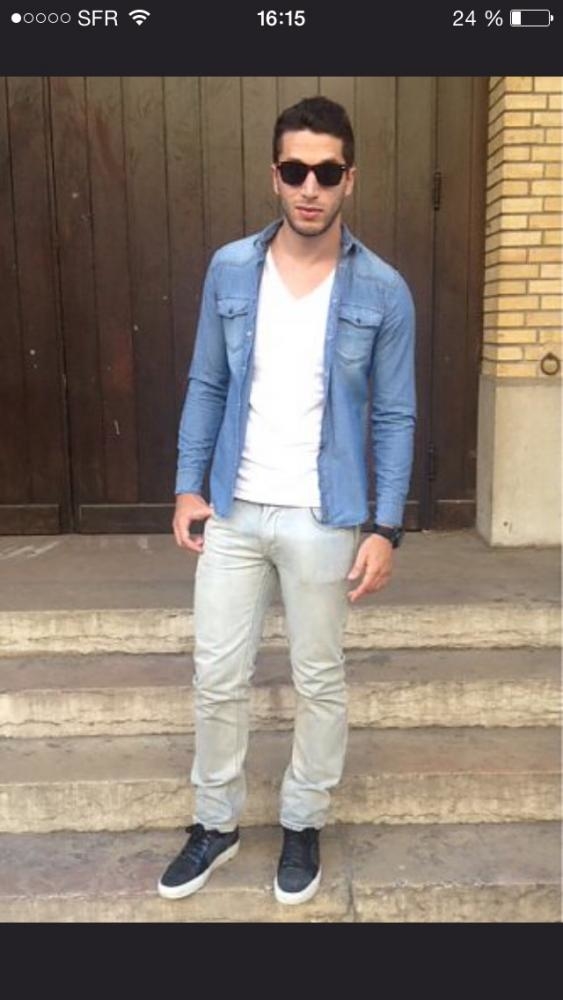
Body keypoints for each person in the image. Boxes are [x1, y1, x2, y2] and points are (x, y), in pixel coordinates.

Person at [157, 96, 416, 906]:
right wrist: (188, 485)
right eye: (295, 170)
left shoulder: (383, 290)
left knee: (318, 678)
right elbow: (207, 381)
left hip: (322, 516)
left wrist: (385, 527)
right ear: (274, 175)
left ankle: (302, 821)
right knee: (216, 676)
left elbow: (395, 414)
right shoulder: (231, 269)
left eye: (326, 172)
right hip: (234, 509)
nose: (310, 187)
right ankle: (216, 823)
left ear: (349, 179)